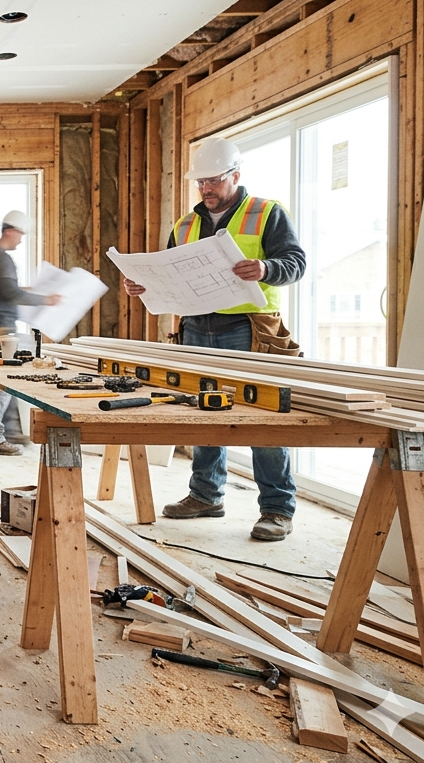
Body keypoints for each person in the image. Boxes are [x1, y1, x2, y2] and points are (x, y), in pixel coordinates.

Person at [122, 137, 306, 542]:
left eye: (213, 181)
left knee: (261, 417)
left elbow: (295, 264)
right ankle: (206, 495)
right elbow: (168, 275)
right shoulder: (185, 225)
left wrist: (264, 267)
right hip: (196, 328)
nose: (206, 189)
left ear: (235, 176)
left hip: (248, 329)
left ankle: (277, 508)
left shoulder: (266, 213)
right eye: (200, 182)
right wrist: (144, 287)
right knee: (203, 410)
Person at [0, 210, 60, 455]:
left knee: (5, 381)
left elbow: (4, 290)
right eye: (20, 234)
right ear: (9, 231)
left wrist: (26, 289)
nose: (21, 240)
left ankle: (9, 432)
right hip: (0, 327)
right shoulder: (1, 258)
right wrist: (47, 299)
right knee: (1, 384)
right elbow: (11, 294)